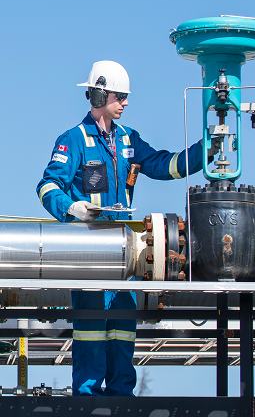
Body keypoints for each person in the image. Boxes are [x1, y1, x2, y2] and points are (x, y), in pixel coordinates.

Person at [36, 60, 216, 396]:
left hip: (127, 256)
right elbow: (48, 187)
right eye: (121, 96)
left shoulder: (129, 140)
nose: (127, 103)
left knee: (122, 335)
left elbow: (165, 165)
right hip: (89, 255)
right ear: (100, 95)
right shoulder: (73, 140)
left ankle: (122, 401)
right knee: (90, 335)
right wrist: (72, 208)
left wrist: (206, 150)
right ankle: (87, 402)